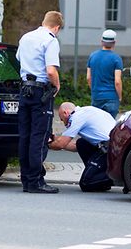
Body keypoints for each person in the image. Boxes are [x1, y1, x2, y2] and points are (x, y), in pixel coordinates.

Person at [16, 10, 63, 194]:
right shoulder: (50, 40)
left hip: (24, 89)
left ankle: (26, 179)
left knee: (25, 136)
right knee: (39, 136)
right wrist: (56, 86)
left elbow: (19, 58)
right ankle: (37, 181)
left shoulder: (26, 37)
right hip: (40, 91)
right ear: (56, 27)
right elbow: (51, 71)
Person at [49, 102, 116, 192]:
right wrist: (54, 139)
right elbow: (74, 146)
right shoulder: (87, 111)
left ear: (66, 113)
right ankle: (98, 177)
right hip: (113, 146)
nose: (62, 122)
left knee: (86, 183)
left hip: (109, 149)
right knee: (81, 143)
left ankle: (120, 177)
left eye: (61, 119)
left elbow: (60, 144)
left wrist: (45, 144)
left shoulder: (76, 117)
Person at [87, 29, 123, 119]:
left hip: (96, 96)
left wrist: (94, 89)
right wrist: (120, 96)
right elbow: (117, 81)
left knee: (97, 124)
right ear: (114, 43)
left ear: (101, 42)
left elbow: (88, 77)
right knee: (109, 126)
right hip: (111, 96)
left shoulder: (92, 56)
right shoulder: (116, 58)